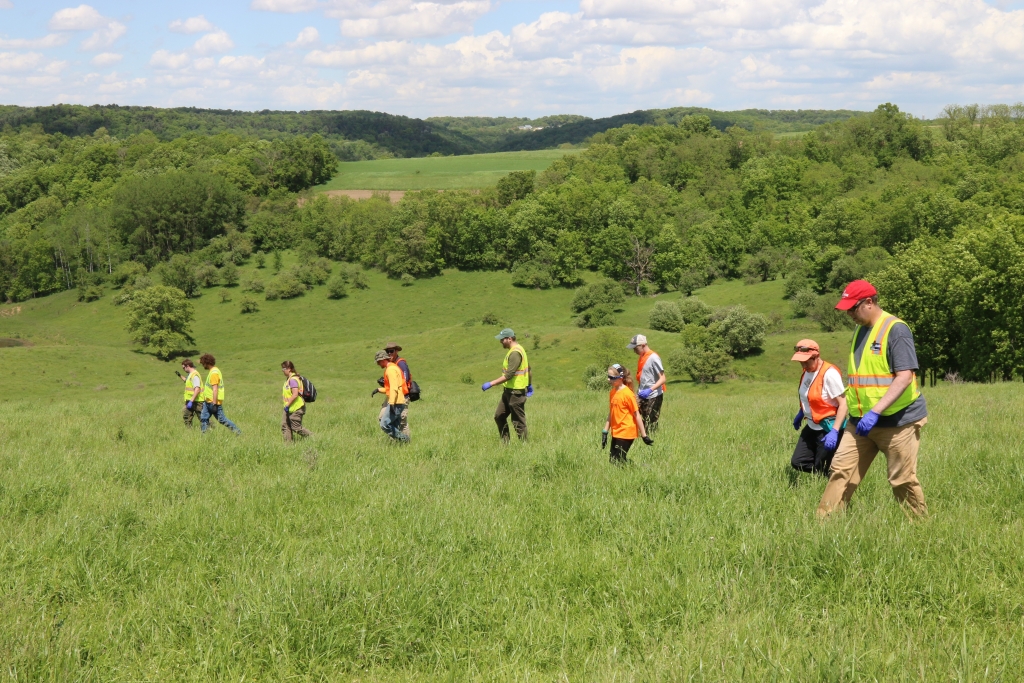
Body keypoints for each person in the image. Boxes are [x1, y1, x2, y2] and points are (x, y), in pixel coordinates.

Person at [817, 280, 928, 518]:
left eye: (852, 308)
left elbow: (905, 376)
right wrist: (842, 423)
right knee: (840, 471)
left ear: (869, 302)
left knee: (901, 480)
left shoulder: (896, 329)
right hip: (859, 422)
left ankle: (921, 528)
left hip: (898, 421)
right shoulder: (860, 330)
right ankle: (822, 527)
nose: (849, 315)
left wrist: (875, 411)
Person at [790, 339, 847, 476]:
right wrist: (801, 412)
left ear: (816, 356)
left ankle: (828, 479)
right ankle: (822, 473)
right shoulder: (807, 372)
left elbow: (844, 404)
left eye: (806, 361)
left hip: (827, 428)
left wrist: (835, 431)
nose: (803, 364)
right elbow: (808, 396)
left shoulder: (829, 373)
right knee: (798, 462)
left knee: (823, 467)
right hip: (811, 425)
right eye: (800, 361)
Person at [481, 328, 532, 443]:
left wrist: (491, 383)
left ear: (509, 339)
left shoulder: (515, 353)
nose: (500, 342)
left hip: (516, 393)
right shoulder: (517, 350)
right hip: (508, 391)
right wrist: (529, 384)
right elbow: (528, 369)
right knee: (499, 416)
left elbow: (509, 375)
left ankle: (525, 447)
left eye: (502, 339)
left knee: (518, 422)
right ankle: (505, 444)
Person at [602, 364, 654, 464]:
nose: (609, 380)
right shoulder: (612, 392)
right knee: (613, 461)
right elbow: (611, 412)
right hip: (616, 431)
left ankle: (640, 468)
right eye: (608, 377)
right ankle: (637, 468)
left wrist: (644, 435)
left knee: (618, 461)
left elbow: (637, 415)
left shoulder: (627, 394)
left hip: (626, 431)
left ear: (620, 378)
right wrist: (605, 431)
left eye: (612, 377)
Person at [627, 334, 666, 434]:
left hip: (653, 395)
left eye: (636, 348)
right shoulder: (642, 356)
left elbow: (662, 379)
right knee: (631, 412)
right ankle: (636, 435)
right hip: (641, 393)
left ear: (643, 345)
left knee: (650, 421)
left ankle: (651, 440)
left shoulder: (654, 358)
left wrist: (650, 390)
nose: (634, 351)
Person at [199, 353, 242, 435]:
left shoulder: (214, 373)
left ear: (206, 362)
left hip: (213, 402)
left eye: (203, 363)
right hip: (207, 402)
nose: (202, 365)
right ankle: (204, 436)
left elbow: (215, 389)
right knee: (204, 418)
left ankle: (238, 432)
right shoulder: (213, 371)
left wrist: (214, 404)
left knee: (222, 420)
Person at [377, 342, 411, 439]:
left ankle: (405, 441)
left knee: (402, 422)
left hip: (401, 396)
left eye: (391, 351)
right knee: (387, 420)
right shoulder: (392, 365)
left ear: (396, 351)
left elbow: (403, 380)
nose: (389, 353)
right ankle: (398, 442)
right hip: (393, 396)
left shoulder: (400, 363)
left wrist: (398, 397)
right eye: (387, 351)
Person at [281, 360, 312, 442]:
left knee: (296, 427)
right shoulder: (288, 379)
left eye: (284, 369)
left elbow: (295, 394)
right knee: (285, 425)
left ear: (289, 369)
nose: (283, 371)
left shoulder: (293, 380)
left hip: (296, 407)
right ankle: (288, 445)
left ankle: (313, 437)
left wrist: (287, 405)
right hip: (289, 407)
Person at [179, 358, 203, 428]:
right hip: (190, 401)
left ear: (188, 366)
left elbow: (197, 389)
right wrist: (179, 375)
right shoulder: (190, 375)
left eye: (184, 368)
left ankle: (210, 429)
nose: (183, 369)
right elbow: (186, 381)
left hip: (197, 401)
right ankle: (189, 432)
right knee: (186, 416)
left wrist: (191, 401)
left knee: (202, 418)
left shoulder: (195, 375)